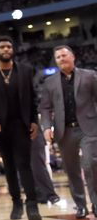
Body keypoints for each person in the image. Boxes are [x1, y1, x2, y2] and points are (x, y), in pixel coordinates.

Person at [0, 35, 42, 220]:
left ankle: (32, 205)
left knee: (24, 165)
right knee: (10, 167)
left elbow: (33, 99)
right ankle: (17, 204)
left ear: (13, 50)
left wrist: (35, 121)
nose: (6, 50)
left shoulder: (26, 70)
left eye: (9, 47)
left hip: (21, 125)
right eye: (2, 47)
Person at [40, 45, 97, 218]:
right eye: (58, 57)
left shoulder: (90, 75)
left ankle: (96, 204)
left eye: (64, 55)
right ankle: (80, 206)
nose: (61, 59)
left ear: (73, 57)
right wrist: (46, 127)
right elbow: (44, 108)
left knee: (90, 165)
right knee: (71, 170)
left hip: (89, 128)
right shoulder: (49, 82)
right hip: (64, 131)